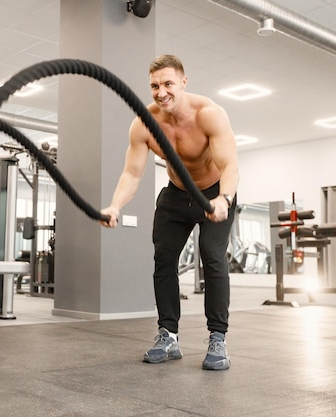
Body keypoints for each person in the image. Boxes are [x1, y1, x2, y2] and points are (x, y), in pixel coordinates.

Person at [100, 54, 239, 370]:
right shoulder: (144, 124)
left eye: (168, 84)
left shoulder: (209, 114)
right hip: (177, 194)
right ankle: (168, 335)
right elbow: (132, 174)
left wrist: (225, 199)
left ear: (184, 82)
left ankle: (218, 338)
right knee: (163, 259)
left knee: (212, 256)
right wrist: (115, 205)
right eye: (154, 86)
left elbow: (230, 165)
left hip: (214, 192)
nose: (161, 92)